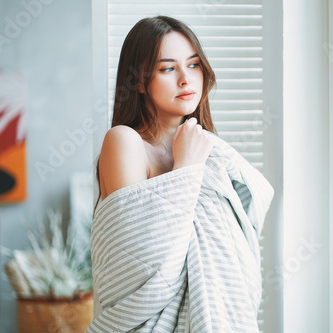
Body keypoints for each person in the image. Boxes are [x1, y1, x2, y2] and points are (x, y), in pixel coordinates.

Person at [86, 16, 273, 332]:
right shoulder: (125, 142)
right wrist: (186, 169)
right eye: (167, 68)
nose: (186, 79)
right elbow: (137, 270)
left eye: (194, 64)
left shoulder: (211, 151)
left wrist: (195, 160)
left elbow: (240, 260)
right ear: (140, 81)